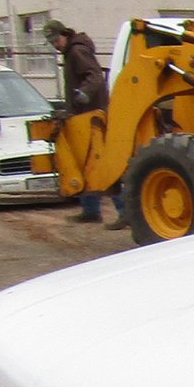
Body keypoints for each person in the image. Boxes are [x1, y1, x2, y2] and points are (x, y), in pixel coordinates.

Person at [44, 19, 126, 230]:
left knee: (101, 164)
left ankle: (126, 212)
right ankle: (91, 211)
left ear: (64, 34)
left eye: (55, 39)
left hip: (91, 116)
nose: (55, 44)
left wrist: (85, 94)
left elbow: (94, 75)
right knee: (85, 162)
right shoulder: (72, 51)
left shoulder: (76, 51)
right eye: (51, 41)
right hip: (83, 115)